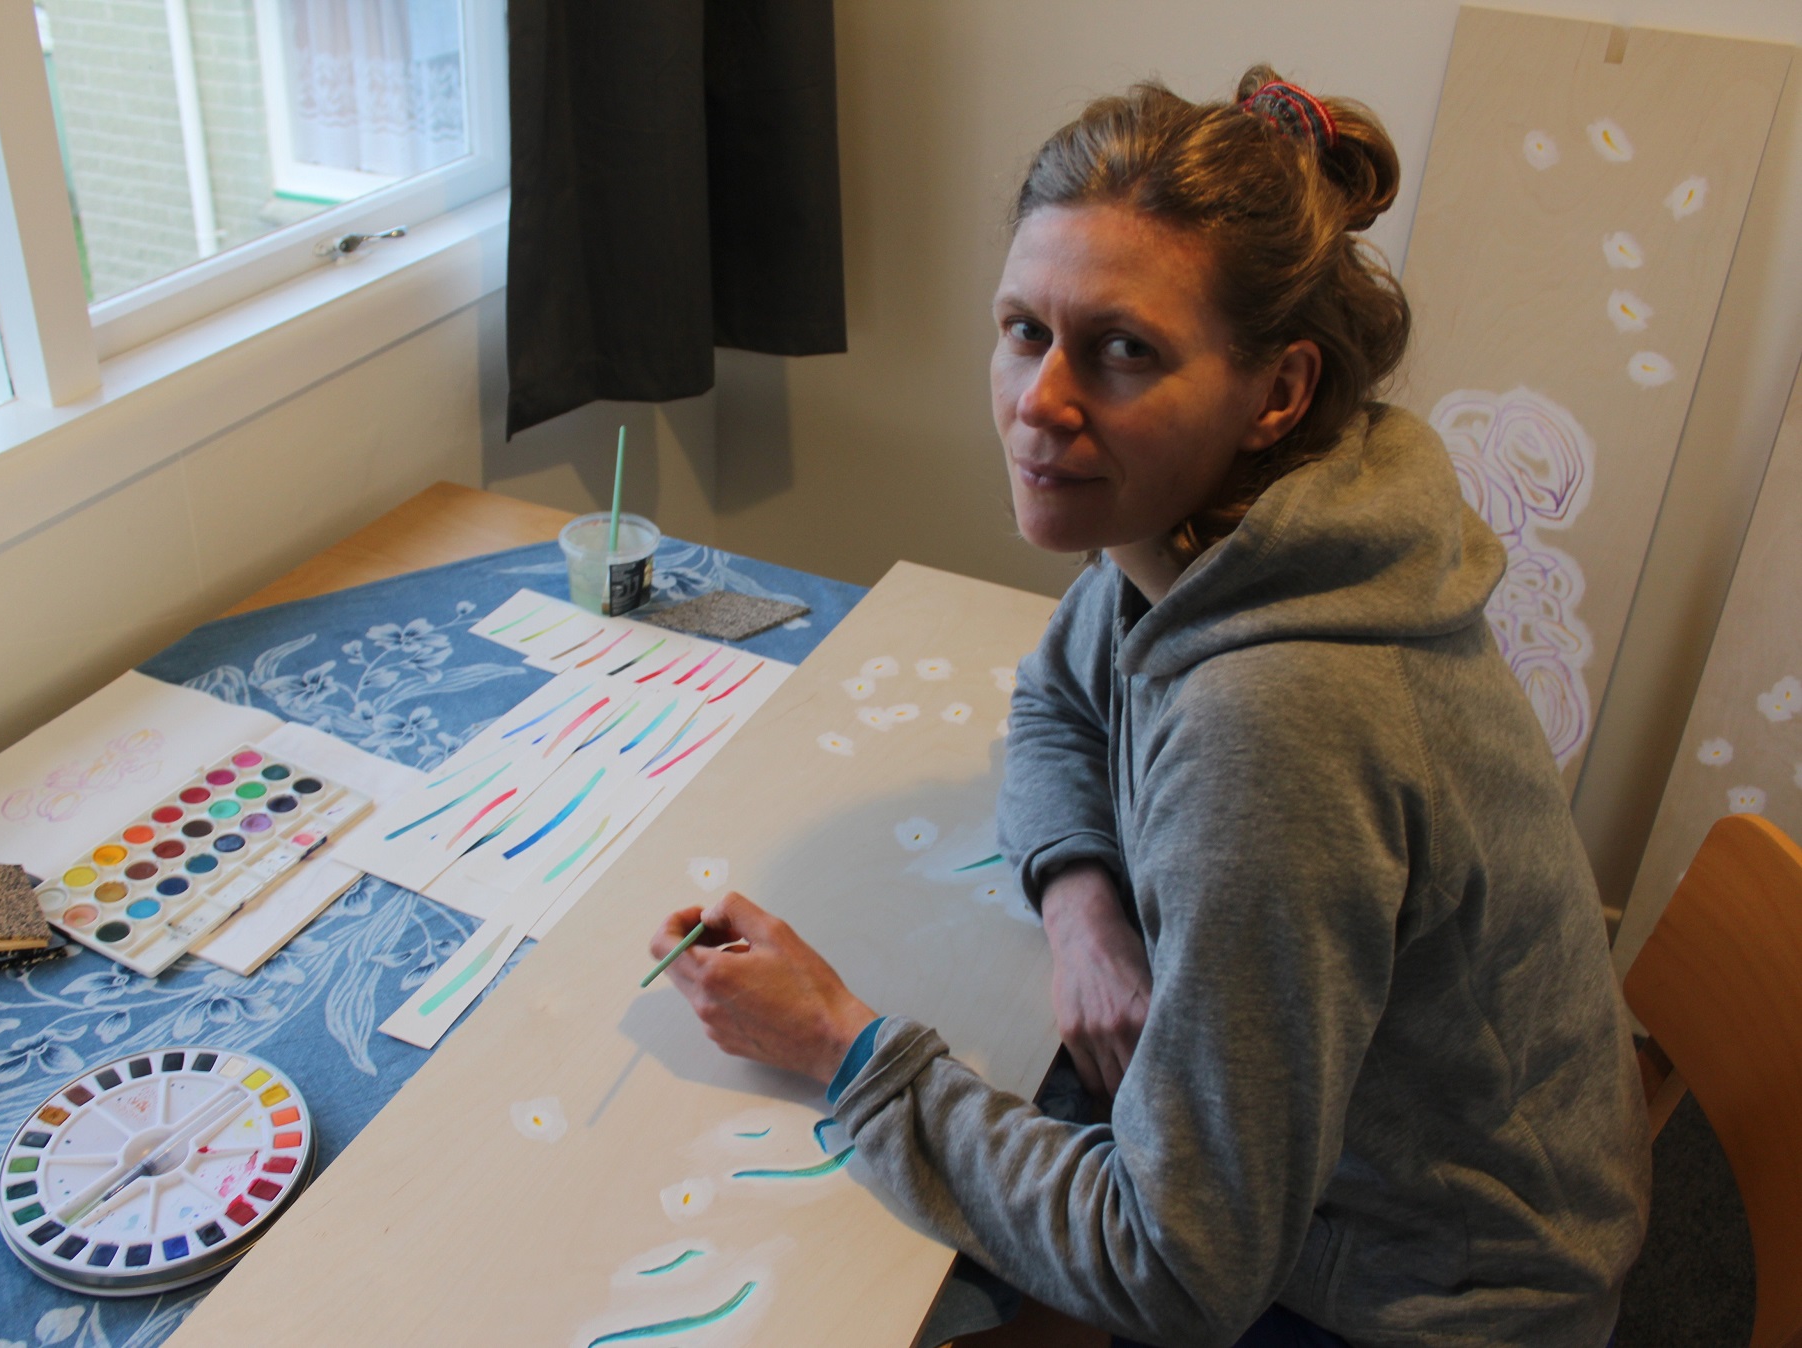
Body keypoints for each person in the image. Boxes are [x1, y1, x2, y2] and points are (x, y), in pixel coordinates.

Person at [648, 68, 1649, 1348]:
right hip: (1354, 1191)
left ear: (1276, 390)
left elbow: (1177, 1270)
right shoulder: (1223, 529)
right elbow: (1062, 701)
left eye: (1124, 350)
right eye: (1024, 330)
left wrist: (841, 1047)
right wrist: (1081, 907)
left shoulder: (1279, 719)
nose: (1039, 405)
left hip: (1419, 1302)